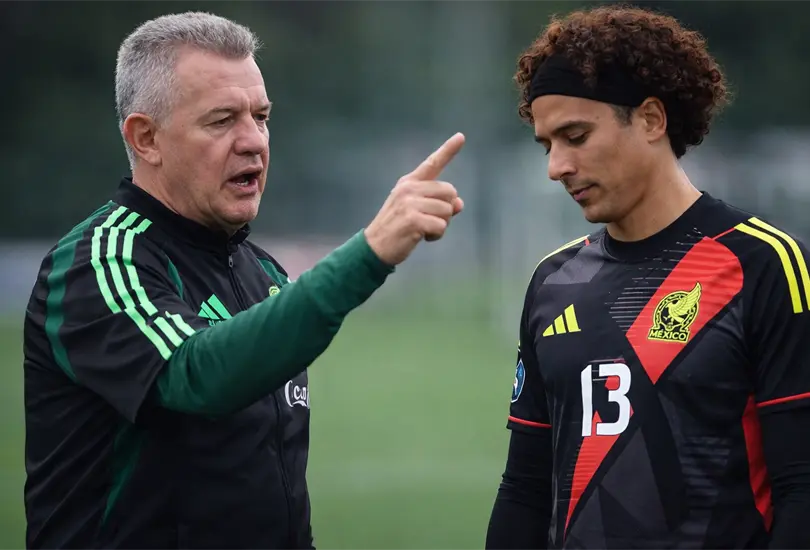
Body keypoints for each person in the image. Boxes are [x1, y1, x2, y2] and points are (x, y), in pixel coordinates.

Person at [23, 11, 465, 550]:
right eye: (222, 120)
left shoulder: (264, 274)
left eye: (261, 116)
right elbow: (194, 376)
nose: (253, 141)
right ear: (146, 139)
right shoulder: (99, 261)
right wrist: (367, 254)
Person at [485, 5, 810, 549]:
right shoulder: (553, 281)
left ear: (652, 120)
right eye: (547, 145)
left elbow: (801, 487)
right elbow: (524, 488)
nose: (555, 166)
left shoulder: (763, 264)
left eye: (575, 136)